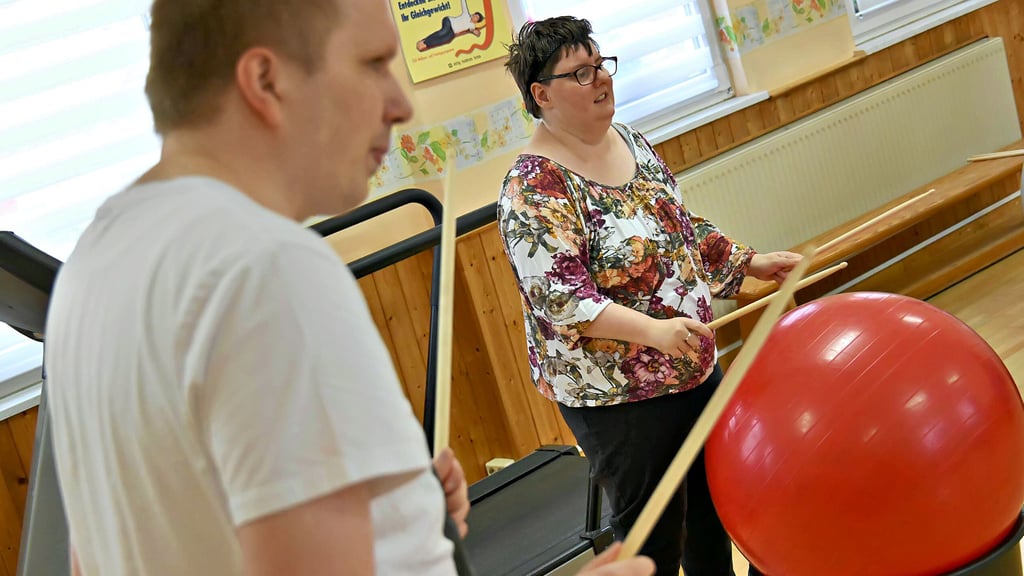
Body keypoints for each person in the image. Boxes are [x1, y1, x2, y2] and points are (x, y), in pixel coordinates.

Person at [44, 1, 653, 575]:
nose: (398, 104)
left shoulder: (97, 255)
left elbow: (107, 551)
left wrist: (395, 509)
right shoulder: (265, 267)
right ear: (266, 81)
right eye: (372, 64)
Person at [497, 16, 802, 576]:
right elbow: (562, 299)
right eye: (581, 72)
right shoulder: (532, 186)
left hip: (690, 361)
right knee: (654, 536)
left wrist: (748, 264)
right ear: (542, 95)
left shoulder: (629, 139)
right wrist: (654, 332)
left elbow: (678, 228)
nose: (600, 79)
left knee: (713, 511)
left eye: (601, 65)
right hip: (618, 395)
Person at [416, 0, 485, 51]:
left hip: (452, 31)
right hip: (448, 21)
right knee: (443, 32)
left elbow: (474, 31)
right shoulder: (466, 14)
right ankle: (424, 41)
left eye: (477, 17)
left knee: (446, 39)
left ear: (477, 21)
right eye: (475, 15)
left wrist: (475, 32)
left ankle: (426, 44)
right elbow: (463, 3)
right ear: (473, 14)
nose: (475, 17)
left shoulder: (472, 26)